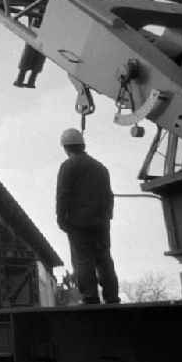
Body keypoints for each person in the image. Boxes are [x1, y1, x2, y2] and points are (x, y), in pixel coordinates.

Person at [56, 128, 119, 304]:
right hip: (101, 222)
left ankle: (90, 297)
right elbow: (109, 196)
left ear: (66, 148)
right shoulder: (101, 168)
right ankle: (112, 297)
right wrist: (107, 217)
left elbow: (63, 195)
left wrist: (61, 219)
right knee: (104, 258)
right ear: (82, 145)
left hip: (78, 223)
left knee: (83, 260)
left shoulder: (68, 166)